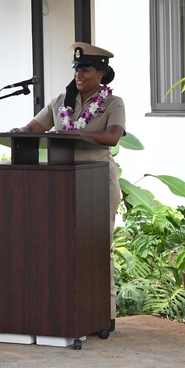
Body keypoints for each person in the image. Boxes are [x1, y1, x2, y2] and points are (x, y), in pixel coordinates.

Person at [16, 42, 126, 321]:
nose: (79, 74)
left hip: (98, 179)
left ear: (101, 73)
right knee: (60, 248)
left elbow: (113, 136)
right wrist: (18, 133)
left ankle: (103, 314)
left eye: (86, 69)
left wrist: (77, 137)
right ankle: (64, 312)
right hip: (62, 184)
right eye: (77, 68)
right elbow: (32, 129)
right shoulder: (60, 102)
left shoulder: (112, 103)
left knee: (97, 248)